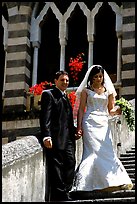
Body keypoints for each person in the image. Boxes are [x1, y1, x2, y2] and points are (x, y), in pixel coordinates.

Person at [71, 65, 133, 193]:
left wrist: (121, 109)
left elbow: (111, 111)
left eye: (100, 76)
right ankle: (86, 184)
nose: (98, 79)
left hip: (103, 124)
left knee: (107, 151)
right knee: (92, 152)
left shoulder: (108, 91)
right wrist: (79, 127)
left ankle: (111, 181)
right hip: (89, 122)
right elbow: (81, 109)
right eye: (96, 77)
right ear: (91, 78)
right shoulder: (86, 91)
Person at [39, 71, 76, 201]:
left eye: (67, 80)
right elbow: (45, 117)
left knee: (71, 162)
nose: (65, 82)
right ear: (55, 81)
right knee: (57, 166)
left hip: (68, 138)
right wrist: (46, 136)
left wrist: (75, 131)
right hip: (55, 138)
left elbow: (68, 120)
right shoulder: (48, 95)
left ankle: (65, 190)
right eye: (62, 80)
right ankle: (61, 195)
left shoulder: (66, 97)